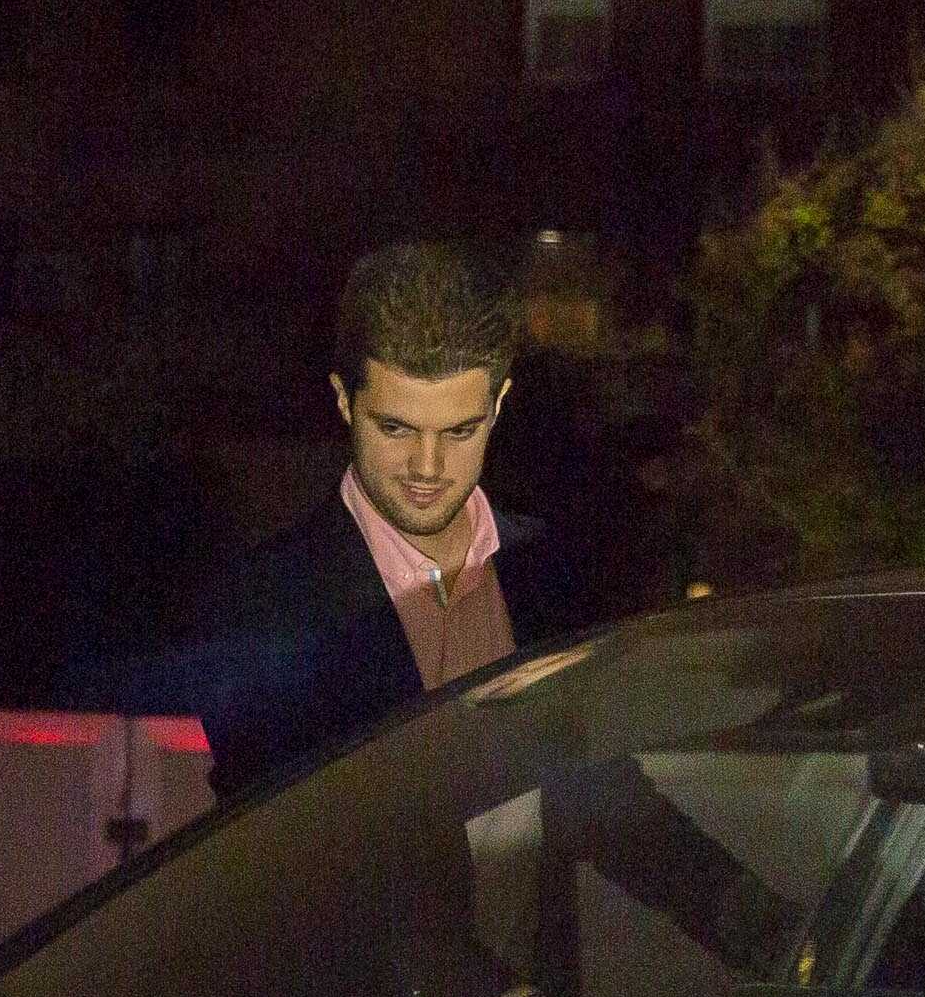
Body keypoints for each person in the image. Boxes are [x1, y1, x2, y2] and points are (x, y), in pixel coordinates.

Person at [164, 240, 620, 791]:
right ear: (344, 402)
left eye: (459, 431)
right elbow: (279, 851)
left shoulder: (554, 573)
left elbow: (607, 785)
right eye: (396, 428)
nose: (427, 468)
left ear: (498, 405)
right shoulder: (262, 609)